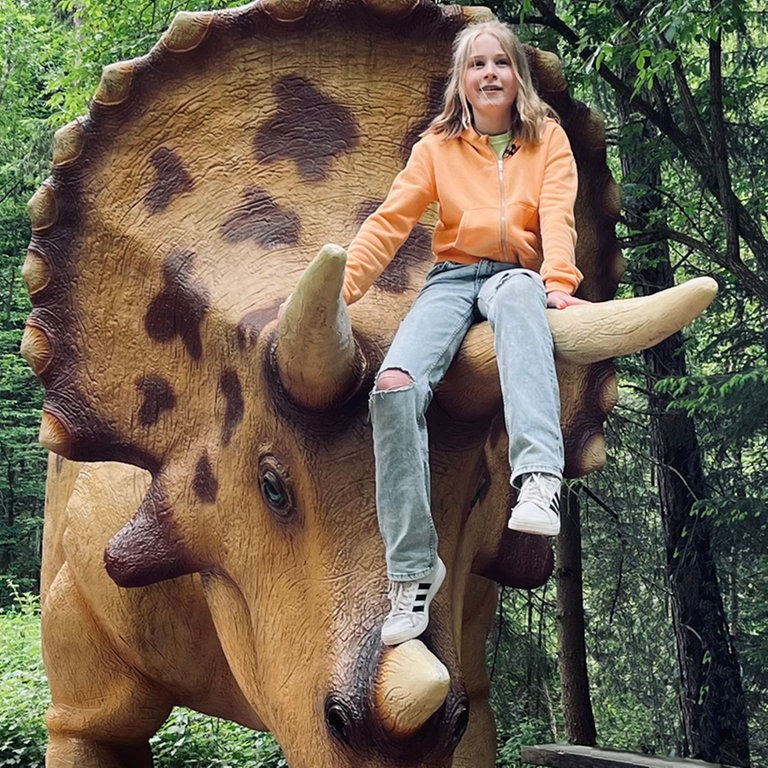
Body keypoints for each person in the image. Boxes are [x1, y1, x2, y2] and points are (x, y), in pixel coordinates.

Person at [341, 20, 587, 646]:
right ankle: (414, 572)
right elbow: (389, 221)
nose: (489, 74)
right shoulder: (437, 147)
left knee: (521, 299)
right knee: (394, 386)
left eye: (500, 62)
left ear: (517, 75)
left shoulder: (547, 141)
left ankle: (539, 479)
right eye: (476, 65)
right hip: (451, 279)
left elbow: (557, 215)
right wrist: (338, 293)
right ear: (462, 80)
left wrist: (557, 278)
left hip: (515, 277)